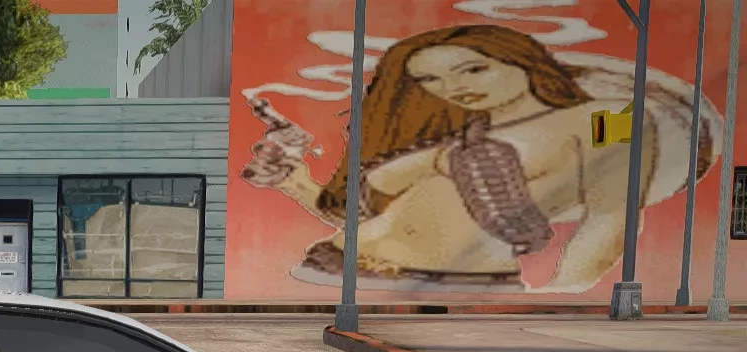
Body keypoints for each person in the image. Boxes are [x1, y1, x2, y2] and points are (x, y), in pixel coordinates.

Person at [243, 23, 664, 292]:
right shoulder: (454, 129)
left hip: (457, 283)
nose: (451, 87)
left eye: (473, 69)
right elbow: (371, 216)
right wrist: (294, 181)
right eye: (430, 78)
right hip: (336, 266)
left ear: (523, 62)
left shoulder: (602, 119)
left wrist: (566, 289)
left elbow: (612, 214)